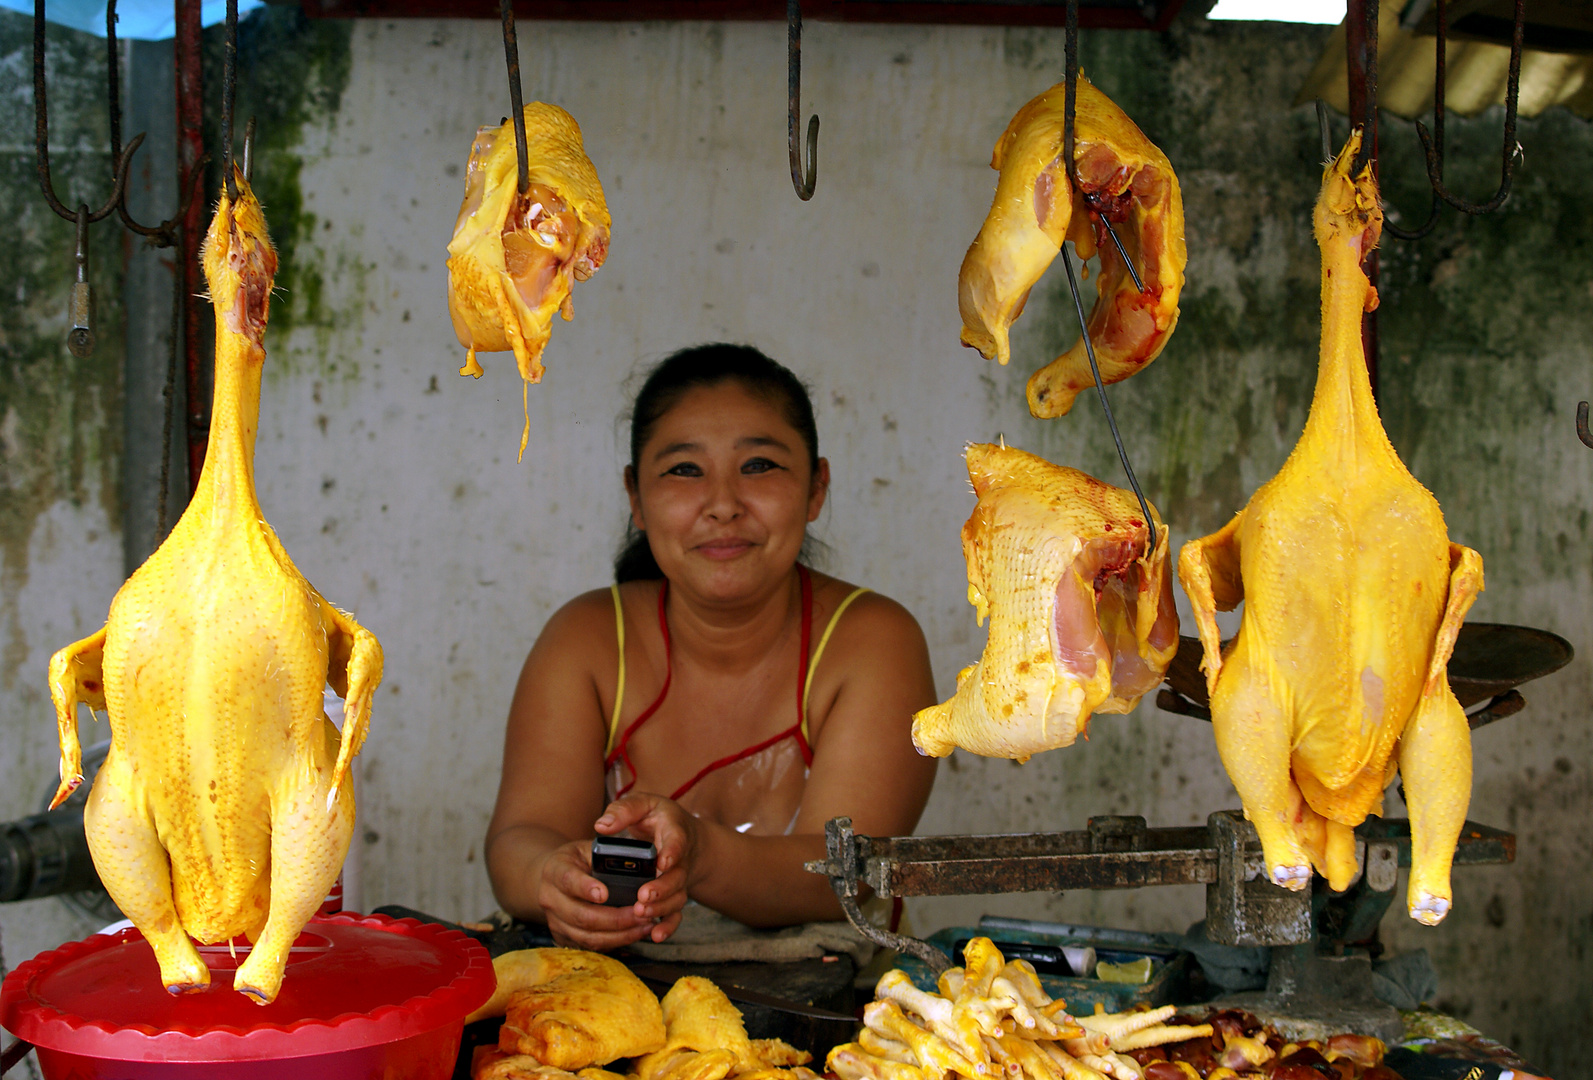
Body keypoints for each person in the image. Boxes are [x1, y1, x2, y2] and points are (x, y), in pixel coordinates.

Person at [485, 344, 939, 951]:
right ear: (636, 498)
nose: (723, 505)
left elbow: (845, 875)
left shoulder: (873, 642)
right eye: (683, 470)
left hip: (838, 1013)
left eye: (759, 466)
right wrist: (553, 879)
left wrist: (698, 855)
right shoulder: (588, 640)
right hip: (616, 1000)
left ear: (816, 488)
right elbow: (523, 836)